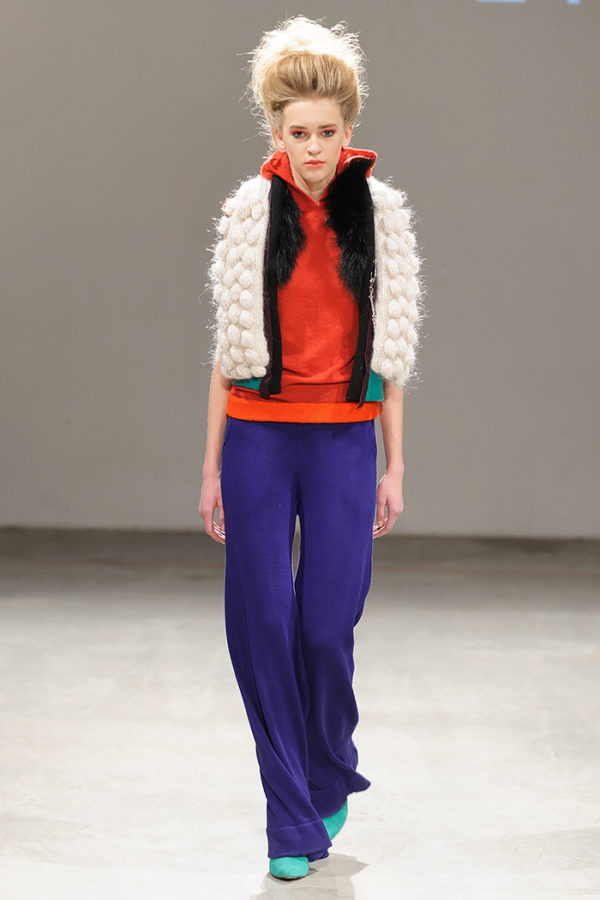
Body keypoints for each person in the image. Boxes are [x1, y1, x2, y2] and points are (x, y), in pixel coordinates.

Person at [198, 14, 424, 881]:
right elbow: (228, 350)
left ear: (349, 129)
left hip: (342, 444)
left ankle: (328, 766)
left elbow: (392, 351)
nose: (315, 148)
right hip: (258, 439)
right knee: (262, 625)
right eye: (299, 134)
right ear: (276, 131)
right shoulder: (248, 214)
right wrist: (211, 465)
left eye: (329, 132)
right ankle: (289, 816)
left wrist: (395, 464)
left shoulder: (382, 215)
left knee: (327, 627)